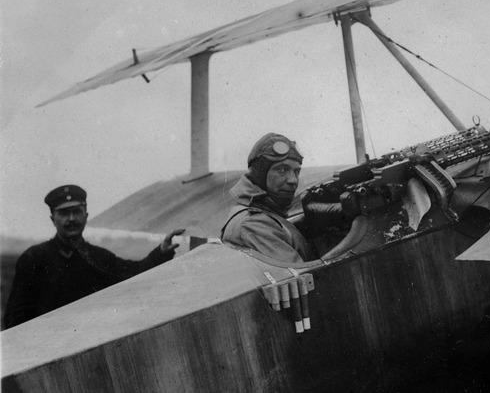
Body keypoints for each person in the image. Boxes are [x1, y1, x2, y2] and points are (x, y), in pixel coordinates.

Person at [3, 185, 184, 329]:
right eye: (64, 213)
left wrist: (161, 252)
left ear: (86, 215)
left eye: (77, 211)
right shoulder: (34, 259)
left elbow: (133, 273)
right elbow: (15, 318)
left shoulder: (99, 257)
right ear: (53, 219)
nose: (72, 219)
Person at [221, 133, 319, 264]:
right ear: (260, 174)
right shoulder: (252, 223)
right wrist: (347, 242)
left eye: (296, 171)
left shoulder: (263, 213)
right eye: (282, 170)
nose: (293, 180)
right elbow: (301, 273)